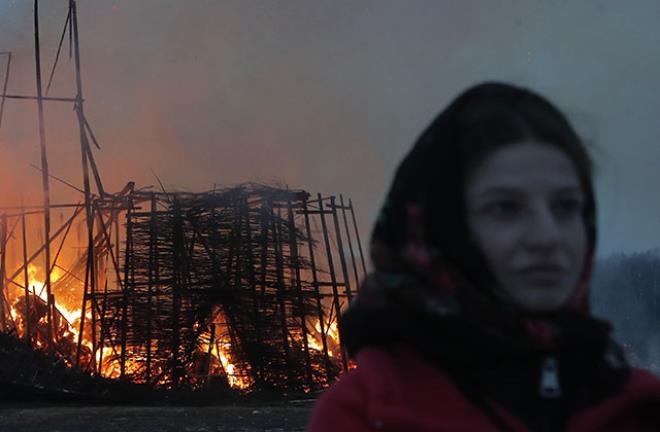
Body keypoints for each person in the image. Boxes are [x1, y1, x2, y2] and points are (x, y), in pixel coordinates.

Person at [307, 82, 660, 431]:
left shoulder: (638, 409)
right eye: (505, 208)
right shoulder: (363, 416)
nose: (547, 236)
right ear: (442, 228)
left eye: (566, 206)